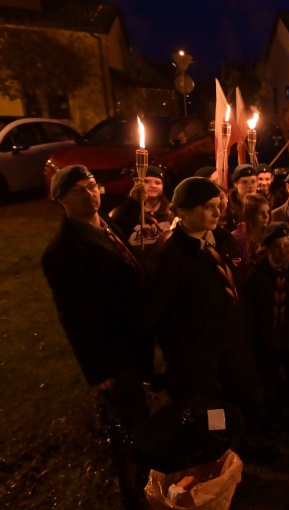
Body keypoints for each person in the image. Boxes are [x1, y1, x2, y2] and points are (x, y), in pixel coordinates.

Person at [141, 177, 278, 460]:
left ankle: (249, 437)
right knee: (210, 407)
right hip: (199, 353)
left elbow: (234, 286)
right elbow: (153, 314)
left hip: (232, 340)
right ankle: (217, 450)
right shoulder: (170, 258)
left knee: (246, 390)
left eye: (218, 205)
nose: (218, 212)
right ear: (183, 211)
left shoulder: (222, 241)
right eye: (207, 207)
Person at [42, 165, 152, 508]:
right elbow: (73, 317)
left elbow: (120, 233)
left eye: (91, 186)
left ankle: (147, 472)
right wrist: (97, 370)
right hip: (111, 351)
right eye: (78, 191)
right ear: (60, 200)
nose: (89, 194)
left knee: (135, 411)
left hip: (132, 340)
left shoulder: (103, 223)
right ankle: (133, 488)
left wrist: (134, 202)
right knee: (128, 420)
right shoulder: (64, 251)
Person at [243, 222, 289, 442]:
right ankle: (271, 420)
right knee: (268, 382)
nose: (283, 251)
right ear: (267, 248)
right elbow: (249, 311)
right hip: (266, 338)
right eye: (276, 246)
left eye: (286, 245)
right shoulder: (256, 275)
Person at [110, 165, 173, 262]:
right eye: (146, 181)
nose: (153, 186)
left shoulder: (171, 213)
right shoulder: (124, 213)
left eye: (158, 182)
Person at [231, 193, 271, 268]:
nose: (266, 216)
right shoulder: (237, 238)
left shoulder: (267, 233)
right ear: (250, 214)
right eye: (261, 213)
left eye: (267, 212)